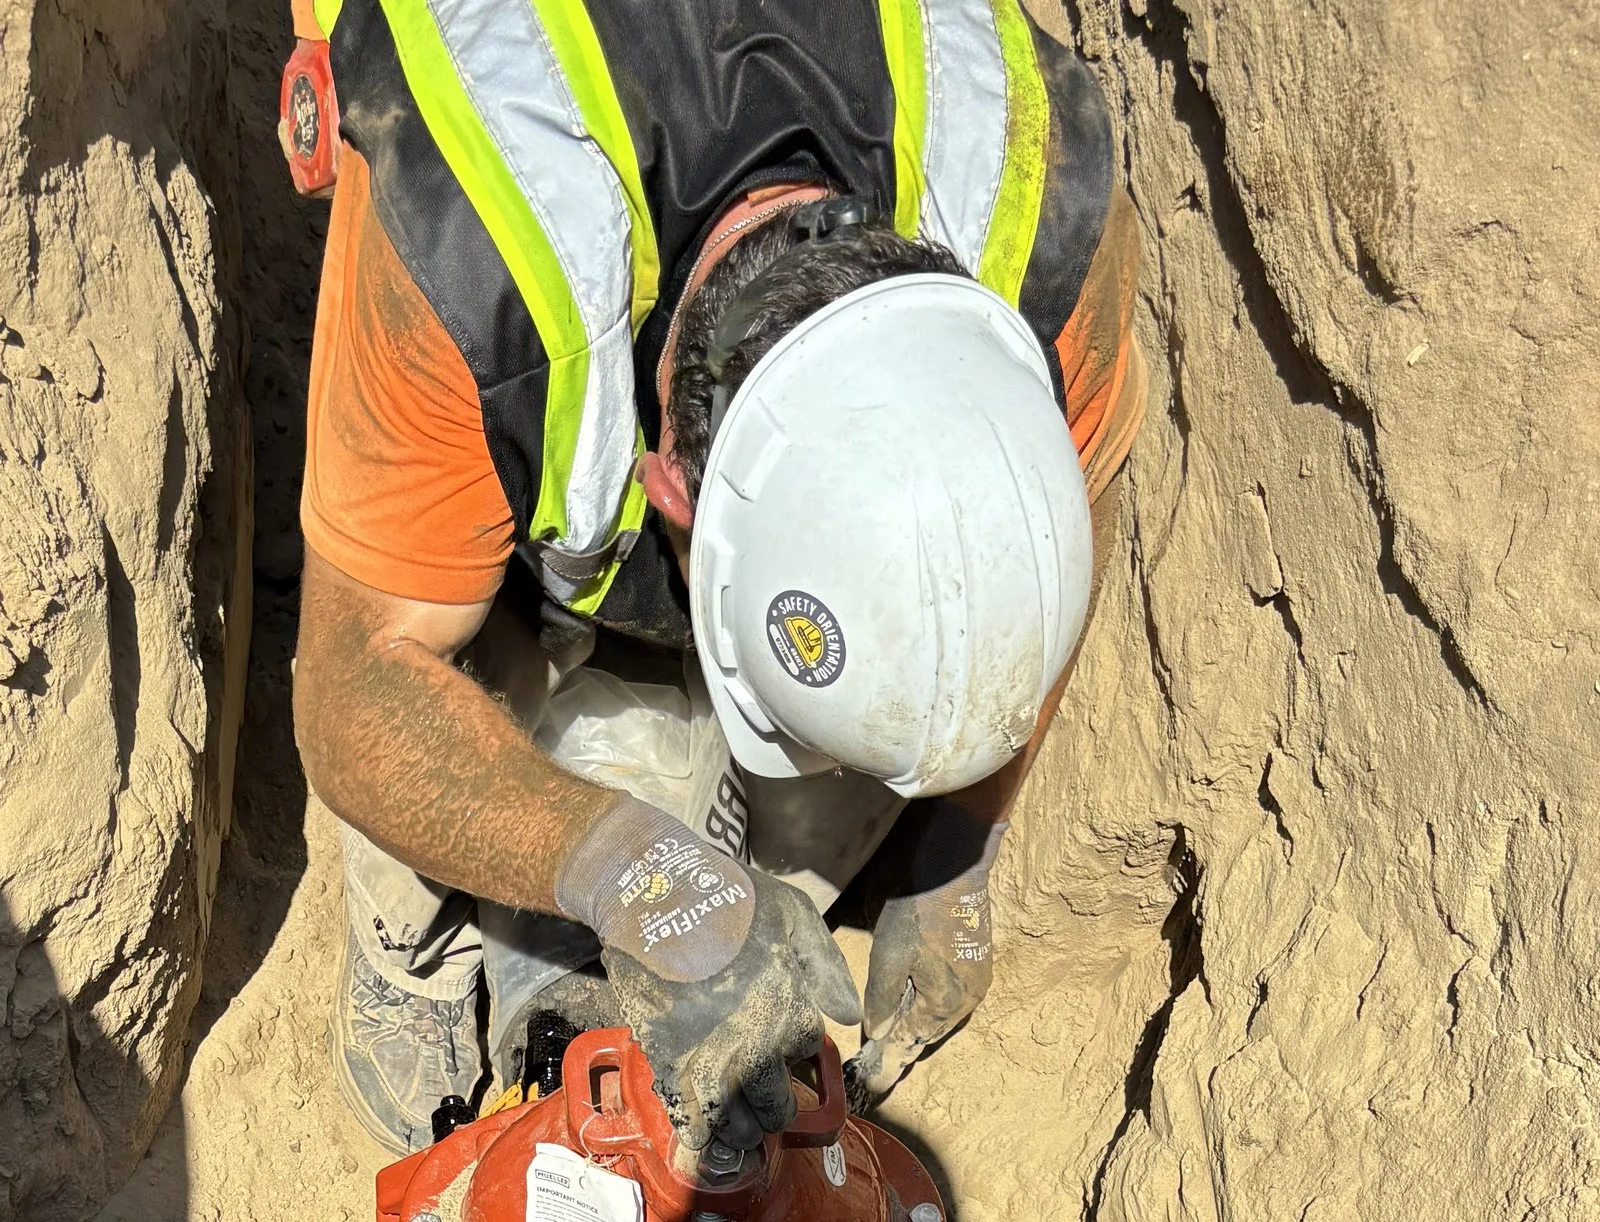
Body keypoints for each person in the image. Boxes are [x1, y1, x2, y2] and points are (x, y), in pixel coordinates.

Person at [285, 0, 1145, 1162]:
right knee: (444, 602)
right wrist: (631, 872)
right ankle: (418, 944)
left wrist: (957, 855)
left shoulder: (1047, 224)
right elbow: (356, 682)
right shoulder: (467, 253)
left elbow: (1058, 533)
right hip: (480, 115)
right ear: (668, 493)